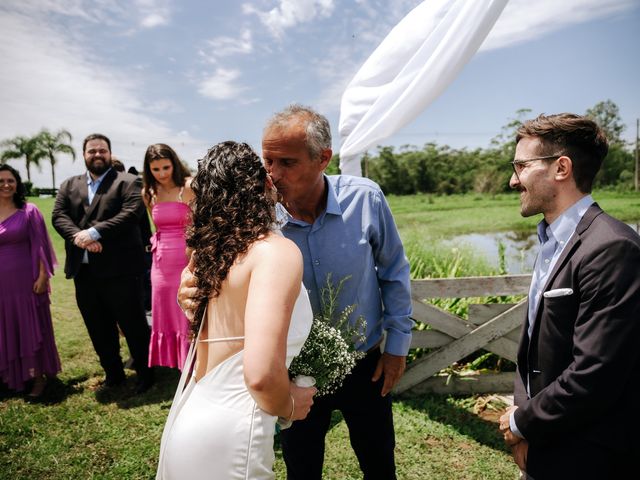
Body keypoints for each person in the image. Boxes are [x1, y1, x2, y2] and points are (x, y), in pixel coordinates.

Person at [179, 105, 413, 479]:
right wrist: (188, 285)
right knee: (301, 468)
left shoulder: (366, 199)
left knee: (379, 459)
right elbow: (207, 270)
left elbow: (394, 271)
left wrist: (398, 348)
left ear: (323, 158)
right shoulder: (255, 224)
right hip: (292, 370)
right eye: (266, 160)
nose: (271, 174)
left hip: (364, 363)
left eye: (285, 162)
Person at [156, 141, 316, 479]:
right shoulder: (276, 253)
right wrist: (292, 406)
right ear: (261, 187)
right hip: (232, 435)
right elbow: (258, 376)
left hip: (191, 415)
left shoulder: (209, 256)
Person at [498, 113, 640, 479]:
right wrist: (526, 431)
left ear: (561, 168)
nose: (513, 180)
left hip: (587, 454)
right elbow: (532, 350)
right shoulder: (550, 240)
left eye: (521, 166)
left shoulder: (613, 247)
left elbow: (595, 373)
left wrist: (521, 422)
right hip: (546, 441)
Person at [51, 133, 154, 394]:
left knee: (133, 326)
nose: (97, 155)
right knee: (98, 327)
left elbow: (130, 214)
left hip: (121, 271)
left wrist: (94, 233)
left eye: (102, 150)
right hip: (83, 271)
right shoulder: (68, 185)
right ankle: (114, 374)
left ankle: (145, 374)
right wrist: (79, 237)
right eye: (92, 151)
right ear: (84, 154)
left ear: (109, 153)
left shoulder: (128, 182)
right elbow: (58, 215)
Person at [0, 164, 60, 397]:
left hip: (25, 281)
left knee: (29, 325)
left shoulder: (29, 210)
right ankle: (9, 375)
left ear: (17, 184)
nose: (6, 184)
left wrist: (43, 275)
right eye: (1, 181)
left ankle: (37, 378)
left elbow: (41, 244)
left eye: (10, 180)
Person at [142, 143, 193, 370]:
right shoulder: (149, 193)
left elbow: (200, 224)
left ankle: (192, 364)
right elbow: (156, 228)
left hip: (187, 258)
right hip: (161, 263)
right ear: (149, 170)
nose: (162, 174)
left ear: (174, 163)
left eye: (166, 167)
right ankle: (177, 364)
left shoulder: (189, 187)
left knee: (187, 311)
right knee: (167, 312)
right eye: (156, 169)